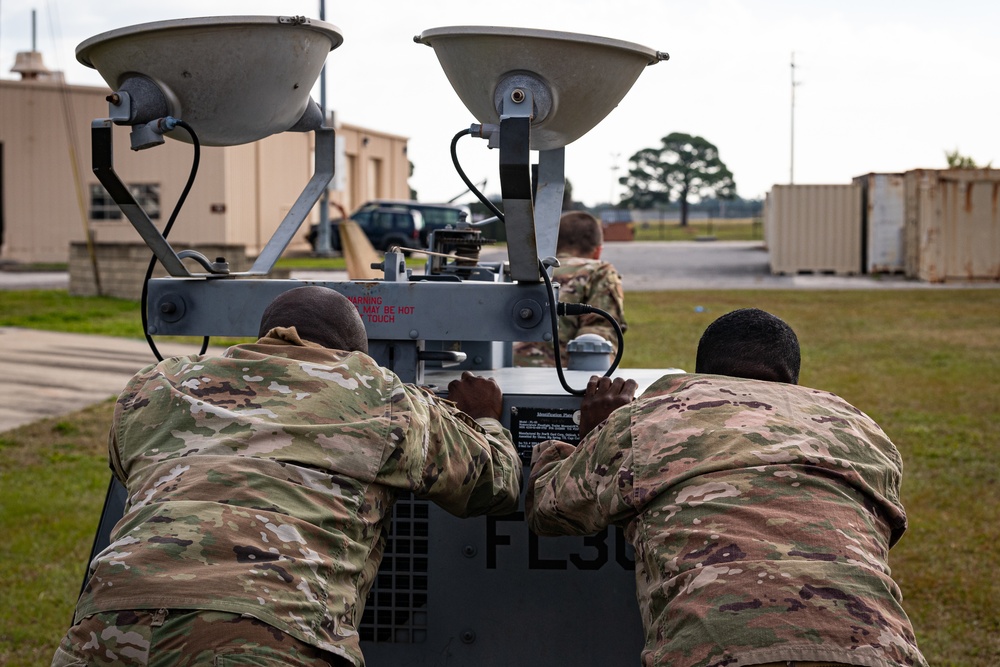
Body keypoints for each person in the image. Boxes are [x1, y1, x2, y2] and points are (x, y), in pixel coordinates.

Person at [54, 285, 521, 667]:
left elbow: (127, 467)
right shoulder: (384, 396)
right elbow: (496, 483)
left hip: (107, 627)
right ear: (353, 355)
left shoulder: (158, 387)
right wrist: (487, 420)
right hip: (269, 634)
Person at [526, 308, 927, 667]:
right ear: (792, 381)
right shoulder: (860, 429)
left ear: (702, 373)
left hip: (716, 650)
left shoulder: (646, 419)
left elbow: (547, 506)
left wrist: (595, 438)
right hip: (877, 650)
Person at [514, 210, 627, 367]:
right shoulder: (599, 272)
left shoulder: (522, 271)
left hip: (499, 379)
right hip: (559, 382)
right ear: (598, 251)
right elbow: (597, 339)